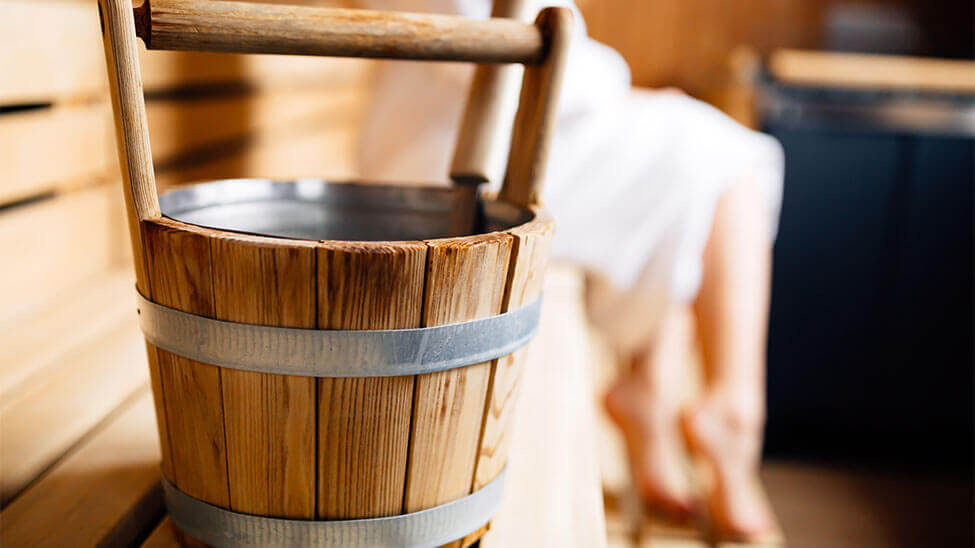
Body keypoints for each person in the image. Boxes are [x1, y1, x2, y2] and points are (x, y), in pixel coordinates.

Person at [355, 0, 783, 540]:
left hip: (474, 138)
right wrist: (621, 88)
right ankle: (733, 415)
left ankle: (650, 397)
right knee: (729, 159)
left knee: (686, 154)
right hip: (457, 163)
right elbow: (493, 43)